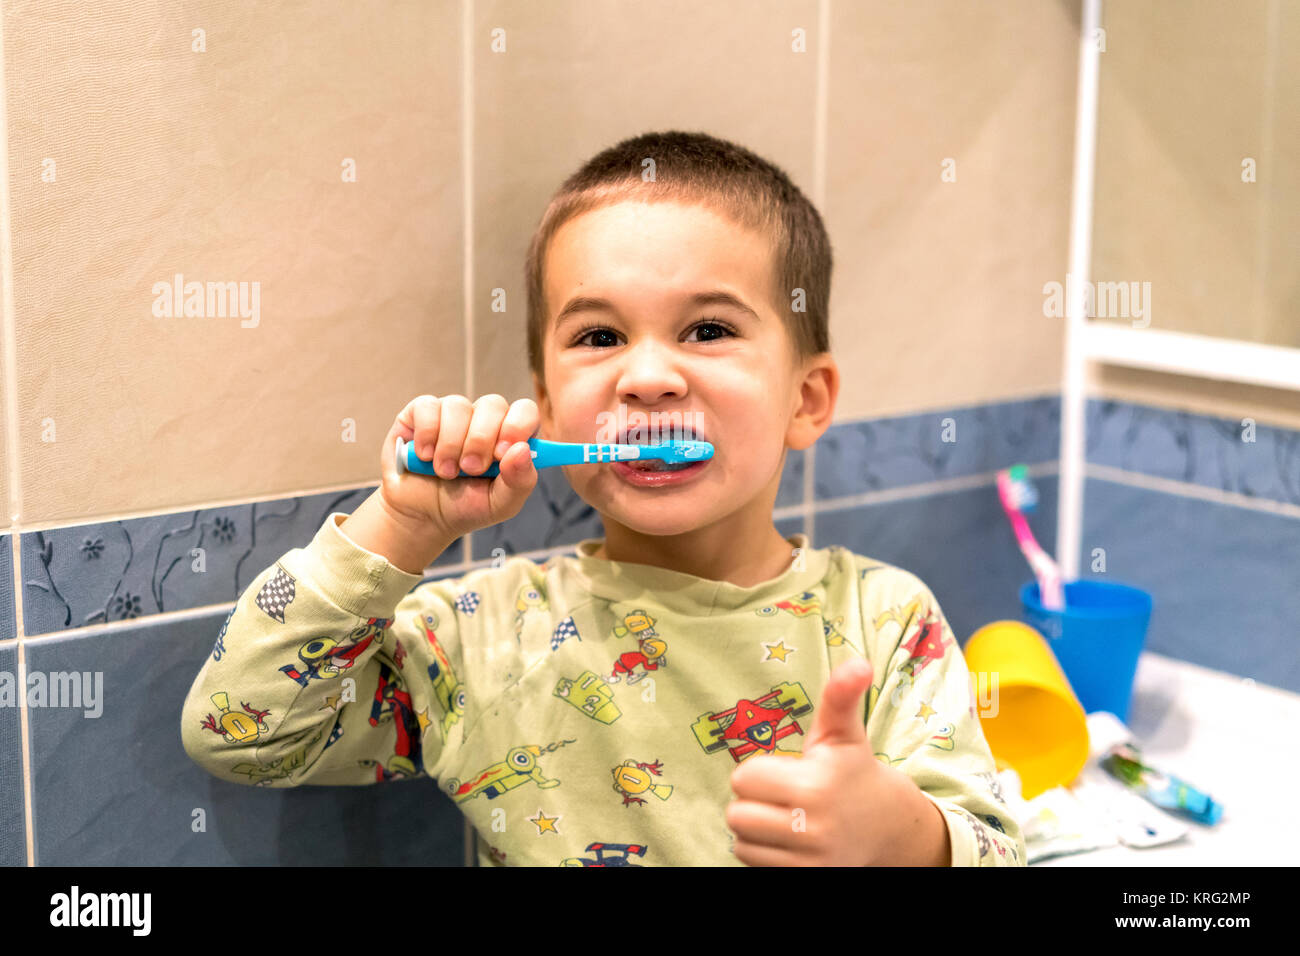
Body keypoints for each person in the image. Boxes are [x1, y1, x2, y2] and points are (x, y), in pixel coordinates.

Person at [181, 130, 1025, 867]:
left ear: (806, 400)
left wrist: (902, 839)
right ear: (546, 408)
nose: (649, 377)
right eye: (598, 336)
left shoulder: (880, 624)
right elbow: (242, 734)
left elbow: (994, 848)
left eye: (708, 329)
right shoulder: (482, 639)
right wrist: (402, 525)